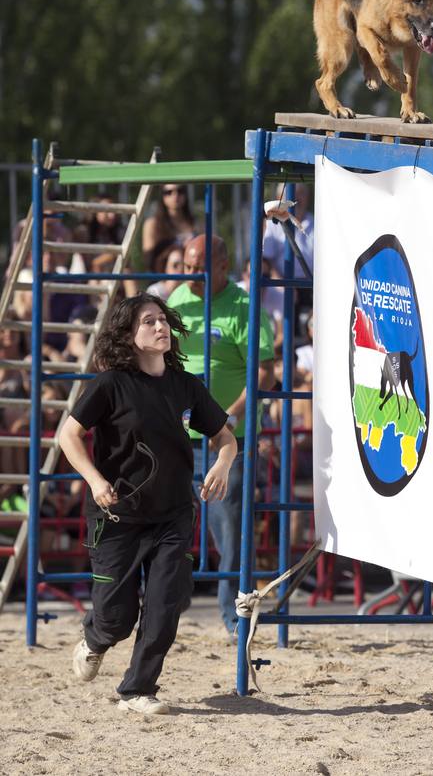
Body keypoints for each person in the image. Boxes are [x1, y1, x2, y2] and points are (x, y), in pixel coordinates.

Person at [58, 293, 235, 714]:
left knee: (165, 604)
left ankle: (138, 690)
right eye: (149, 322)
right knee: (116, 618)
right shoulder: (109, 384)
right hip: (116, 513)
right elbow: (68, 436)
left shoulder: (186, 384)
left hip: (173, 511)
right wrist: (95, 479)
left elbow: (224, 437)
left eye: (163, 320)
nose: (161, 328)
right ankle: (96, 637)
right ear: (129, 335)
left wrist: (223, 464)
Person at [168, 235, 275, 636]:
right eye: (185, 266)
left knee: (228, 523)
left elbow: (263, 372)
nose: (189, 275)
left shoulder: (244, 306)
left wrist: (225, 418)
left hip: (230, 437)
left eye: (197, 267)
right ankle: (170, 603)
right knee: (169, 520)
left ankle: (234, 615)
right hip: (180, 433)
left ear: (222, 266)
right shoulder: (176, 299)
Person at [141, 184, 197, 270]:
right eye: (169, 192)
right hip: (163, 278)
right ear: (162, 196)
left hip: (191, 277)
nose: (175, 195)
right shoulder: (152, 224)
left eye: (180, 191)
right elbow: (149, 259)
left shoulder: (196, 223)